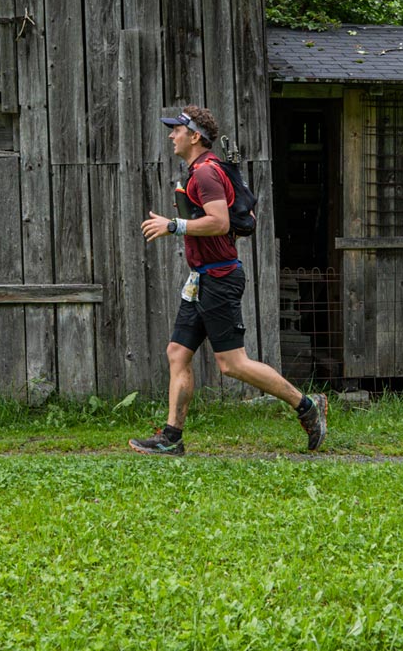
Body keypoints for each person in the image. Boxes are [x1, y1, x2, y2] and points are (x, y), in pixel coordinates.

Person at [131, 103, 326, 456]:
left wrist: (173, 225)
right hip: (201, 279)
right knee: (177, 352)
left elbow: (219, 222)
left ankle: (307, 406)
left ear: (195, 136)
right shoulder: (198, 170)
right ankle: (171, 438)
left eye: (177, 129)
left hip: (219, 278)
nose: (171, 135)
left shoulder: (206, 174)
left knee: (232, 364)